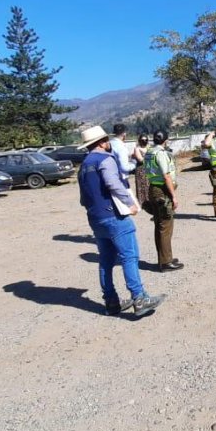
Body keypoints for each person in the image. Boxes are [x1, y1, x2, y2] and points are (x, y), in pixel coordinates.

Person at [76, 126, 165, 316]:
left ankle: (111, 301)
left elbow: (83, 199)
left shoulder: (83, 166)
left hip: (95, 218)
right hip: (114, 215)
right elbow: (112, 183)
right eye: (106, 139)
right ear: (101, 142)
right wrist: (129, 203)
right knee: (129, 256)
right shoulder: (105, 159)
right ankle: (139, 298)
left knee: (106, 260)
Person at [145, 130, 184, 272]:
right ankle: (166, 262)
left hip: (154, 189)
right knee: (165, 227)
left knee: (160, 226)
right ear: (165, 140)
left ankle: (165, 257)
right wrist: (173, 196)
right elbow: (166, 176)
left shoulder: (149, 152)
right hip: (162, 191)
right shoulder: (160, 154)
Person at [132, 134, 150, 206]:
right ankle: (142, 202)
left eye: (146, 140)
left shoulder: (149, 147)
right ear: (139, 141)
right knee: (142, 185)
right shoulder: (137, 148)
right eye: (143, 140)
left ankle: (149, 200)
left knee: (149, 184)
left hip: (149, 168)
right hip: (141, 169)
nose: (144, 141)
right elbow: (140, 160)